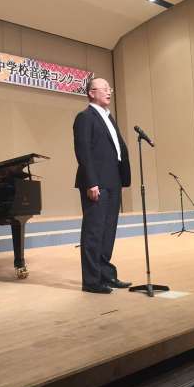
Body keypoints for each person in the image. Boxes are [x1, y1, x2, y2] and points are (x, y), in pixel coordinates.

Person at [73, 78, 131, 294]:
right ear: (91, 93)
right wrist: (91, 182)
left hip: (113, 181)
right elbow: (83, 151)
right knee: (94, 232)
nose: (109, 92)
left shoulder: (108, 117)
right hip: (96, 183)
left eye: (110, 88)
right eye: (104, 89)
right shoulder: (85, 117)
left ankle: (106, 275)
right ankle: (91, 281)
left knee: (108, 232)